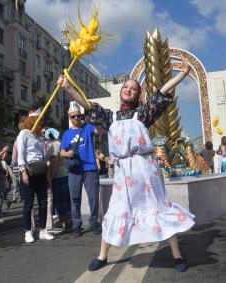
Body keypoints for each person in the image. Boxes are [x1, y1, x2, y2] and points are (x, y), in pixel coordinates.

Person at [57, 57, 195, 272]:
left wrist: (182, 75)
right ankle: (103, 256)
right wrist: (67, 87)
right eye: (126, 87)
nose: (129, 89)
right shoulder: (110, 118)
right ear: (121, 91)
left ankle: (177, 255)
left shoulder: (143, 114)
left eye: (133, 88)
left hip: (146, 170)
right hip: (124, 173)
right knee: (116, 210)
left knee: (158, 208)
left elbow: (161, 94)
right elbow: (86, 104)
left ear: (138, 95)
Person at [60, 102, 102, 237]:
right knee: (75, 199)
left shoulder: (88, 128)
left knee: (93, 198)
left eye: (78, 115)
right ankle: (77, 225)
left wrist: (95, 116)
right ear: (69, 118)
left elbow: (100, 130)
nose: (76, 118)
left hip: (89, 167)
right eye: (73, 116)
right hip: (74, 170)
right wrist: (68, 154)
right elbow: (61, 152)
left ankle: (94, 222)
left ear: (81, 116)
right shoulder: (66, 134)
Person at [16, 110, 55, 243]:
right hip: (29, 171)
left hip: (41, 172)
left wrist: (48, 174)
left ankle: (43, 230)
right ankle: (27, 231)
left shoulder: (40, 137)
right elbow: (21, 154)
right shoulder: (24, 134)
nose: (41, 124)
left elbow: (45, 157)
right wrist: (23, 172)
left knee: (43, 203)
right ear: (33, 120)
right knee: (28, 204)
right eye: (40, 121)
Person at [45, 127, 72, 232]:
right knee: (65, 199)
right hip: (65, 174)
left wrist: (50, 177)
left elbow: (53, 162)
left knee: (59, 201)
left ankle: (63, 222)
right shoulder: (61, 143)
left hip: (58, 176)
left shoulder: (53, 145)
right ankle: (66, 221)